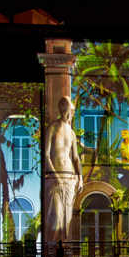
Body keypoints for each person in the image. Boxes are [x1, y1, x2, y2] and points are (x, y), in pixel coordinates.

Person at [45, 96, 83, 242]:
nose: (69, 116)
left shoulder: (72, 133)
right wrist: (56, 177)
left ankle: (62, 248)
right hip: (56, 178)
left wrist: (80, 177)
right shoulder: (52, 128)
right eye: (67, 112)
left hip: (70, 178)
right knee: (56, 216)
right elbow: (46, 155)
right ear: (61, 110)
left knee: (67, 221)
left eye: (71, 113)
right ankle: (51, 247)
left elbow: (76, 157)